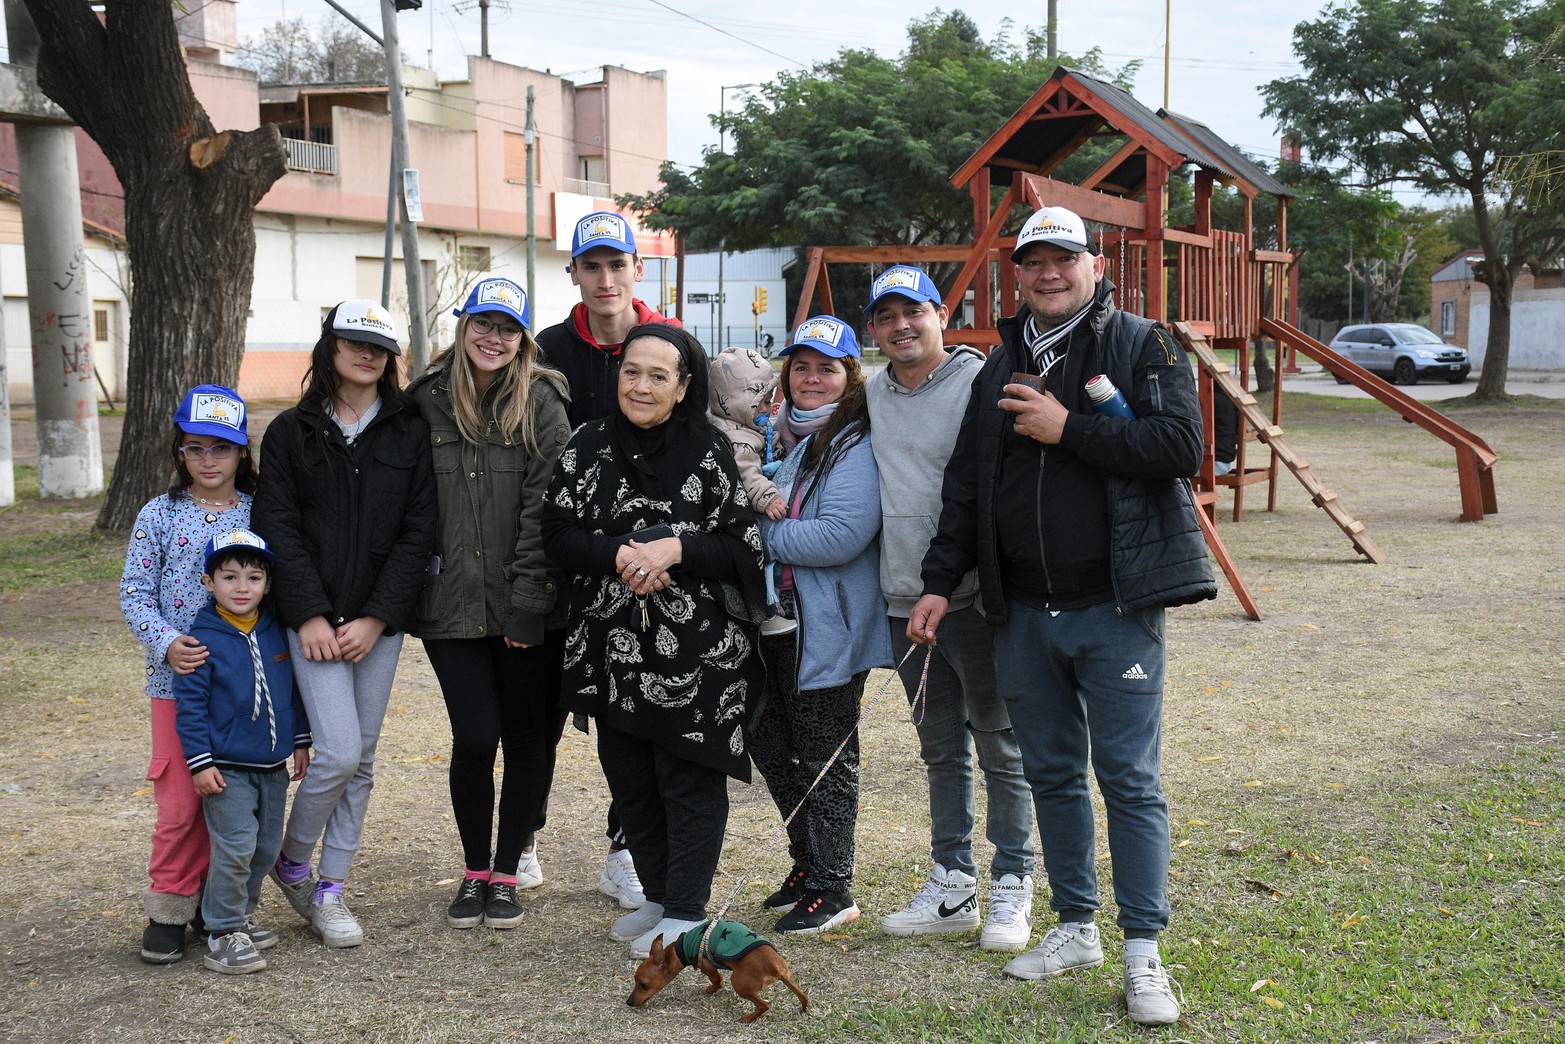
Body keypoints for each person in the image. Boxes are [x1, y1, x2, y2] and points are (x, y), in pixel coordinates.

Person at [910, 206, 1215, 1026]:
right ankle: (1075, 926)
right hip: (1023, 614)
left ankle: (1143, 953)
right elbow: (967, 485)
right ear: (1019, 272)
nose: (1049, 273)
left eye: (1063, 259)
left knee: (1128, 781)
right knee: (1049, 774)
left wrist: (1066, 428)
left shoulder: (1139, 343)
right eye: (1033, 260)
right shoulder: (999, 361)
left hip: (1114, 607)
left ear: (1092, 263)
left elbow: (1181, 450)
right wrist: (942, 580)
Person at [540, 323, 765, 960]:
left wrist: (676, 549)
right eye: (631, 371)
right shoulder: (586, 444)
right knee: (630, 777)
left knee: (687, 776)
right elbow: (555, 533)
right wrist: (619, 556)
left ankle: (688, 910)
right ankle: (662, 896)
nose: (640, 386)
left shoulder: (709, 448)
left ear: (683, 386)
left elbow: (741, 543)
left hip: (699, 650)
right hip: (612, 647)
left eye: (658, 375)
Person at [862, 266, 1038, 953]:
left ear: (940, 312)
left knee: (998, 743)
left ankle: (1013, 883)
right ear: (872, 328)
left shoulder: (978, 382)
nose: (901, 326)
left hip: (972, 598)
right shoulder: (870, 394)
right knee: (939, 749)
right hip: (901, 601)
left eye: (914, 311)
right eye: (885, 316)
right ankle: (951, 883)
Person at [251, 300, 435, 948]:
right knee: (337, 751)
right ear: (330, 346)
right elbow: (277, 527)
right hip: (313, 626)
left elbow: (419, 532)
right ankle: (291, 860)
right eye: (354, 341)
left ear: (390, 360)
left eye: (379, 347)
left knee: (362, 761)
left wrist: (378, 616)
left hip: (376, 628)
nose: (366, 354)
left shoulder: (410, 430)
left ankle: (330, 888)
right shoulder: (290, 432)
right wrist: (308, 614)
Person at [408, 275, 572, 930]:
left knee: (527, 737)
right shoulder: (423, 401)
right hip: (450, 605)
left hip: (525, 604)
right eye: (483, 323)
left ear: (523, 337)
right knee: (475, 737)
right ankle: (474, 867)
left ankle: (506, 872)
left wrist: (528, 604)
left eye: (507, 328)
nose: (493, 338)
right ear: (463, 325)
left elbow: (546, 508)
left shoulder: (542, 401)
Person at [535, 210, 680, 907]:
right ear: (573, 273)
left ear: (637, 270)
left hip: (650, 567)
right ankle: (521, 833)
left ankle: (626, 844)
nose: (604, 278)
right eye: (590, 266)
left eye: (615, 264)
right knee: (540, 707)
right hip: (567, 554)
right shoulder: (547, 347)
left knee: (638, 710)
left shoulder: (674, 343)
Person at [748, 315, 891, 935]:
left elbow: (841, 535)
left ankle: (834, 886)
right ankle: (806, 864)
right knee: (770, 744)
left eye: (826, 367)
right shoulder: (772, 438)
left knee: (824, 754)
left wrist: (750, 537)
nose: (811, 378)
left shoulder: (854, 442)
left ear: (849, 377)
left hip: (824, 623)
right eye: (801, 366)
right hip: (772, 620)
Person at [121, 384, 257, 965]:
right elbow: (134, 591)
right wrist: (168, 642)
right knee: (179, 802)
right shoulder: (159, 513)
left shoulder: (261, 513)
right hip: (176, 686)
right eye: (196, 447)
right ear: (180, 450)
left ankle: (218, 905)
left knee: (233, 801)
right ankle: (169, 909)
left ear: (241, 453)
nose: (208, 460)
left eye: (222, 449)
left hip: (242, 689)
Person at [174, 530, 311, 974]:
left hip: (272, 765)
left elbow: (293, 691)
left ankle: (241, 915)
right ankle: (222, 930)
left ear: (267, 585)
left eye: (253, 577)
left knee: (265, 848)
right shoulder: (199, 639)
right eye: (229, 576)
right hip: (226, 769)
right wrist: (200, 763)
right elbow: (190, 708)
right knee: (234, 846)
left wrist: (300, 741)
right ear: (209, 581)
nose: (241, 587)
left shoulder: (275, 630)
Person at [706, 346, 793, 634]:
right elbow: (746, 472)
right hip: (745, 513)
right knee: (757, 553)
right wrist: (766, 496)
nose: (767, 409)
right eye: (761, 402)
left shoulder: (739, 424)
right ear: (735, 401)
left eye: (770, 401)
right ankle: (765, 612)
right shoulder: (735, 438)